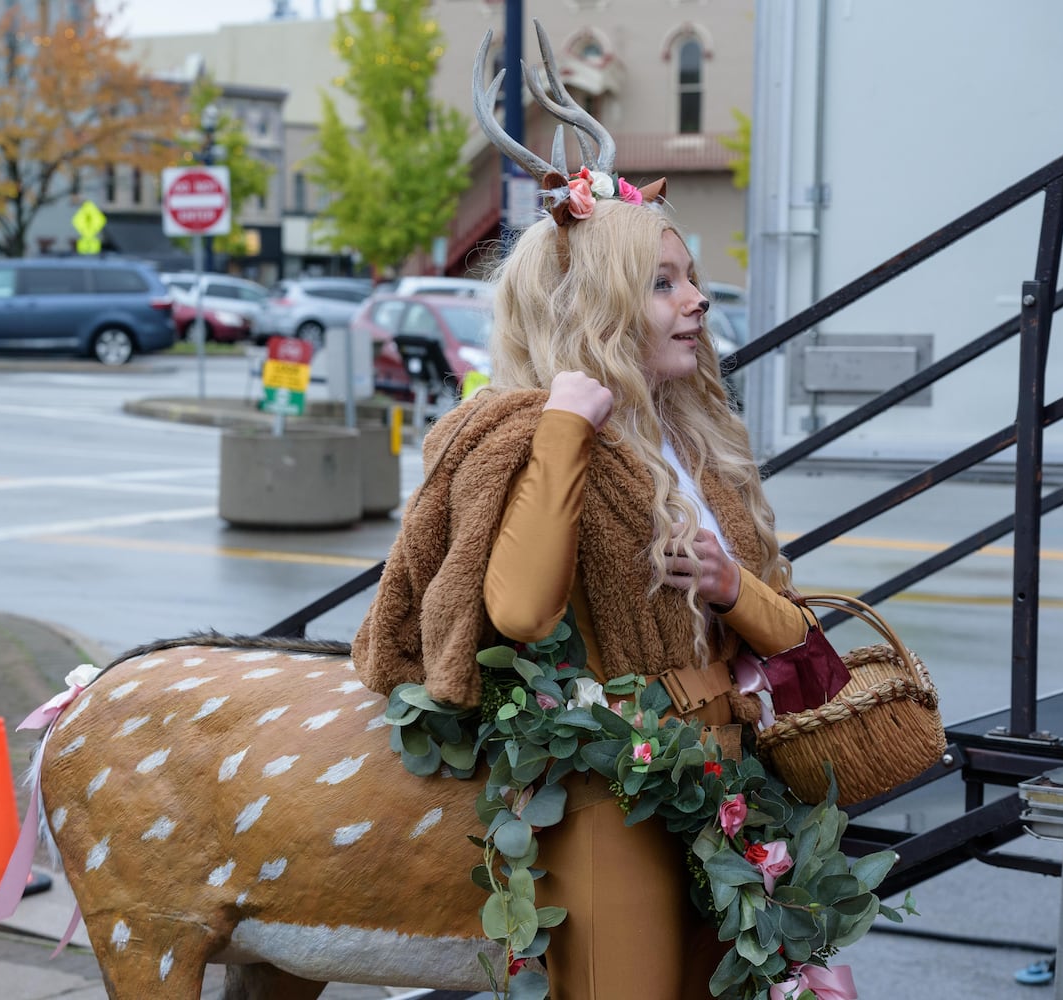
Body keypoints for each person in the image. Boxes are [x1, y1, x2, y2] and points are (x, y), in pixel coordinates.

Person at [352, 21, 814, 1000]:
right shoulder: (534, 435)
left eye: (690, 280)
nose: (696, 303)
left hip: (731, 774)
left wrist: (730, 585)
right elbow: (519, 612)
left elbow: (792, 636)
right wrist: (564, 425)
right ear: (594, 307)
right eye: (662, 284)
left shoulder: (700, 447)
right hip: (614, 789)